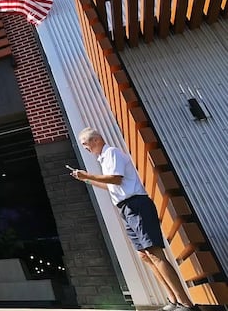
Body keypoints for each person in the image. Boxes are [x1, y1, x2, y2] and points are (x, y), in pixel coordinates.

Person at [74, 128, 196, 311]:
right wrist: (86, 181)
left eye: (86, 144)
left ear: (97, 140)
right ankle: (173, 299)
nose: (85, 148)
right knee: (144, 256)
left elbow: (115, 179)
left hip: (137, 205)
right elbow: (112, 186)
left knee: (154, 253)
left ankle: (185, 303)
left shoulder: (112, 153)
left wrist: (87, 175)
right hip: (126, 208)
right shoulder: (104, 160)